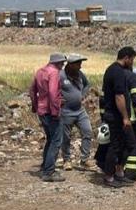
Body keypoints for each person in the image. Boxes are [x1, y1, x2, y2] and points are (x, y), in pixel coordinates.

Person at [100, 46, 136, 188]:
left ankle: (119, 173)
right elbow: (119, 96)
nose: (132, 63)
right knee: (116, 146)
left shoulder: (112, 70)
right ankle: (109, 177)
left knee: (129, 144)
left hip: (116, 115)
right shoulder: (117, 72)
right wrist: (125, 117)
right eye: (132, 59)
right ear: (127, 58)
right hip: (116, 116)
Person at [30, 52, 66, 182]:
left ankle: (45, 166)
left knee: (50, 139)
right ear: (57, 62)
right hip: (51, 111)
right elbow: (52, 92)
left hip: (42, 110)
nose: (63, 66)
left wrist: (34, 106)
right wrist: (56, 110)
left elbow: (32, 90)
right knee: (56, 140)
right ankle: (49, 172)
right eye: (62, 63)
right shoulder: (54, 72)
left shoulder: (40, 71)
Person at [60, 53, 93, 170]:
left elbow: (87, 84)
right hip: (66, 111)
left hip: (80, 110)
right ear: (71, 64)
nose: (80, 66)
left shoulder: (79, 74)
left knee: (87, 131)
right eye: (78, 64)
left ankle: (84, 159)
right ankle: (67, 160)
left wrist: (82, 95)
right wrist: (58, 99)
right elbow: (53, 89)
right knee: (66, 137)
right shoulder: (61, 75)